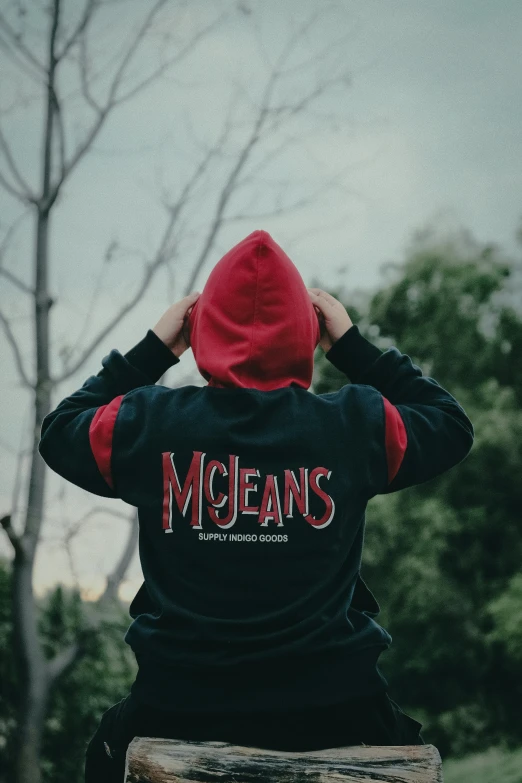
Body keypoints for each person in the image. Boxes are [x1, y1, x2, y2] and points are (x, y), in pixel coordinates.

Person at [38, 229, 474, 782]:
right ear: (306, 332)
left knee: (104, 755)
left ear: (202, 332)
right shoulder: (356, 423)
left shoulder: (147, 424)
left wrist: (155, 349)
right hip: (336, 707)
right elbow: (450, 425)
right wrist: (352, 348)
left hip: (179, 705)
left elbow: (59, 433)